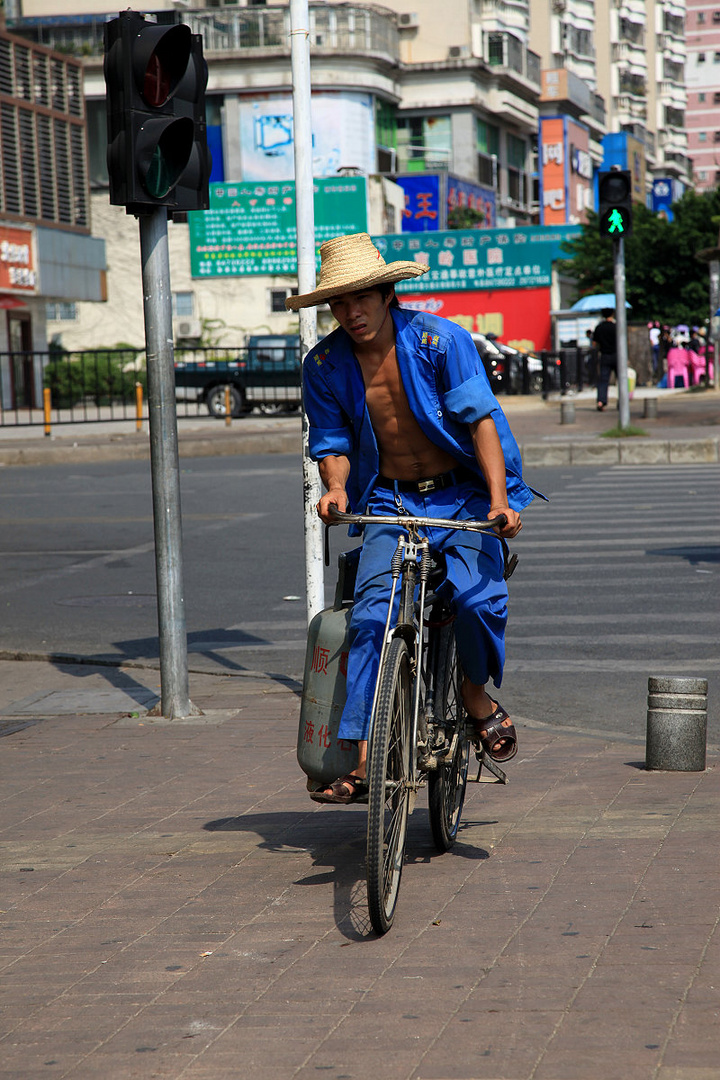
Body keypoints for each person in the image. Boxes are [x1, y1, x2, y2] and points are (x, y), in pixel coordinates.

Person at [286, 232, 540, 804]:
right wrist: (334, 489)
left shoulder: (439, 339)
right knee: (370, 620)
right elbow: (330, 441)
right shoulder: (323, 364)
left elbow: (482, 422)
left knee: (477, 601)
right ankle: (360, 756)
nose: (352, 313)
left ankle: (476, 697)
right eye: (340, 303)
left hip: (463, 496)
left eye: (363, 299)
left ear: (387, 293)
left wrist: (500, 501)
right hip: (388, 502)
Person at [592, 308, 617, 411]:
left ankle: (601, 401)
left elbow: (594, 343)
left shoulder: (599, 328)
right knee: (621, 380)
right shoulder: (616, 327)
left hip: (604, 355)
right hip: (617, 355)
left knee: (603, 380)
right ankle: (622, 401)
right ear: (613, 314)